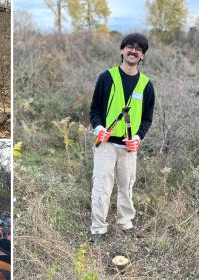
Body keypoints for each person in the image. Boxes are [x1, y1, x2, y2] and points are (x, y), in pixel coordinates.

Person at [89, 33, 155, 244]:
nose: (133, 51)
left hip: (129, 147)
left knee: (126, 185)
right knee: (102, 187)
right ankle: (98, 228)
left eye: (139, 49)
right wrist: (98, 128)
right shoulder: (106, 77)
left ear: (142, 56)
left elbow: (146, 119)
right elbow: (94, 110)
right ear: (122, 50)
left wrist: (138, 137)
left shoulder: (146, 85)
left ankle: (125, 221)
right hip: (105, 145)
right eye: (130, 47)